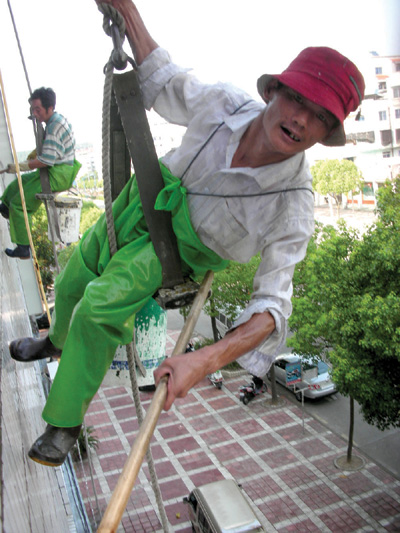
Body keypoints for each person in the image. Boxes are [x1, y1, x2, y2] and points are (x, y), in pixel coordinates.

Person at [8, 0, 365, 467]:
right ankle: (55, 339)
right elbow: (164, 78)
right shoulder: (226, 103)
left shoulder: (292, 204)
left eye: (320, 116)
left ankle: (64, 420)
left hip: (174, 251)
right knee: (77, 273)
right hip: (145, 195)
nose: (300, 119)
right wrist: (126, 11)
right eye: (297, 99)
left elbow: (272, 309)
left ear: (325, 132)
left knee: (98, 306)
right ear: (274, 91)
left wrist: (206, 361)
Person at [0, 87, 81, 259]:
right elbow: (51, 153)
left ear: (49, 108)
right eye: (33, 109)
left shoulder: (54, 126)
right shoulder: (55, 120)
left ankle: (23, 247)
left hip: (57, 173)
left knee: (20, 204)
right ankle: (5, 208)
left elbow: (45, 161)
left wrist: (20, 165)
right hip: (56, 169)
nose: (35, 113)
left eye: (38, 109)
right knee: (18, 184)